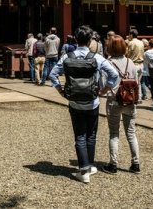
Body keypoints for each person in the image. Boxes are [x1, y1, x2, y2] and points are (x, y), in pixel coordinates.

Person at [49, 25, 118, 183]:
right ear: (90, 40)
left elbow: (53, 74)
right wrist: (104, 90)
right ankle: (90, 166)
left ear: (75, 38)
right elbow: (113, 74)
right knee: (91, 135)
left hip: (74, 101)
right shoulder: (97, 57)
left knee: (80, 135)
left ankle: (83, 170)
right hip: (92, 100)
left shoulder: (67, 56)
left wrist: (60, 90)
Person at [102, 35, 141, 175]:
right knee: (131, 133)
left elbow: (104, 83)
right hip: (130, 100)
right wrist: (138, 98)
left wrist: (101, 92)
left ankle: (113, 164)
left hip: (114, 99)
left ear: (110, 48)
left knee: (114, 133)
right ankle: (135, 163)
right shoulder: (130, 62)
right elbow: (136, 82)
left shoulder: (107, 63)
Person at [125, 29, 145, 101]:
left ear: (131, 35)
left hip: (134, 64)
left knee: (132, 83)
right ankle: (139, 97)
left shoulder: (131, 43)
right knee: (138, 83)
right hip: (141, 64)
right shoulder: (141, 42)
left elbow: (127, 54)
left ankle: (134, 97)